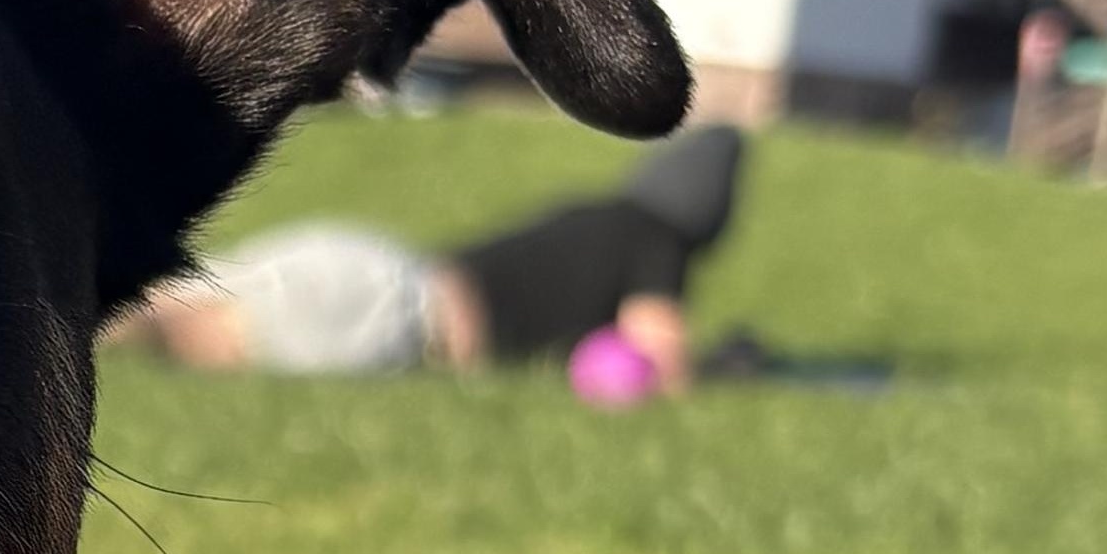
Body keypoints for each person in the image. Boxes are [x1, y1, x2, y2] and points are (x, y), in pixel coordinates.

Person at [109, 126, 748, 384]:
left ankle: (43, 325)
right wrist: (722, 374)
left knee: (148, 295)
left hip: (377, 267)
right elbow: (658, 353)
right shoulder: (656, 239)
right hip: (401, 323)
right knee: (199, 339)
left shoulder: (599, 214)